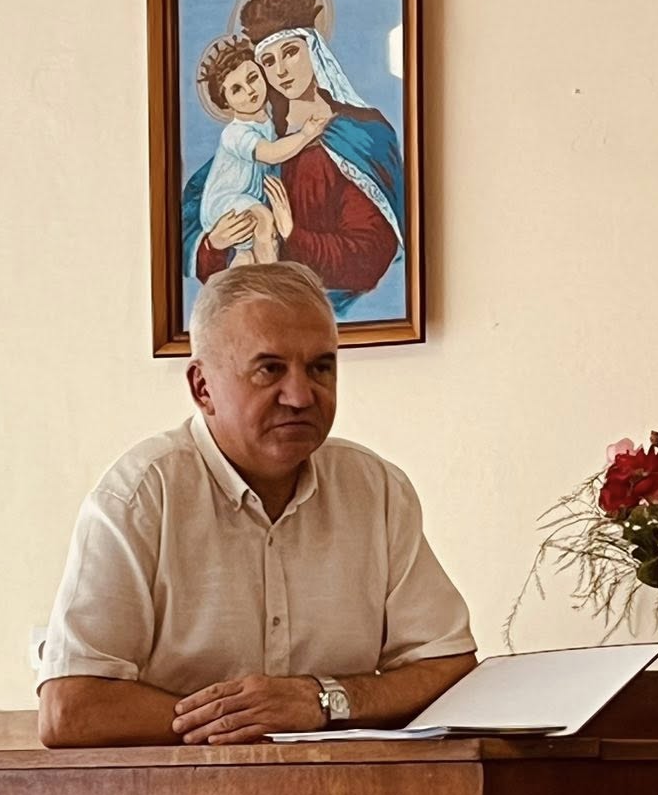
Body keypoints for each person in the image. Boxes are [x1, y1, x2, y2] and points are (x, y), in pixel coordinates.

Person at [38, 262, 475, 748]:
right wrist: (248, 722)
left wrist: (323, 700)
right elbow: (70, 709)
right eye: (270, 369)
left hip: (348, 789)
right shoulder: (140, 495)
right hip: (176, 790)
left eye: (320, 367)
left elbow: (448, 668)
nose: (300, 396)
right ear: (202, 388)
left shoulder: (377, 491)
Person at [180, 0, 405, 316]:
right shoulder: (261, 142)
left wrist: (291, 233)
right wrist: (214, 244)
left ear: (314, 50)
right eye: (268, 61)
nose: (281, 71)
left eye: (290, 52)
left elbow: (370, 256)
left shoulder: (363, 135)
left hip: (330, 315)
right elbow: (197, 219)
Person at [195, 37, 328, 265]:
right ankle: (271, 275)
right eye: (237, 89)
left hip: (247, 199)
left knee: (245, 258)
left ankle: (249, 275)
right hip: (226, 202)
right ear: (225, 102)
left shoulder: (268, 121)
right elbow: (271, 153)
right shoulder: (235, 133)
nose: (250, 91)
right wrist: (306, 134)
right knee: (265, 221)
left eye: (253, 78)